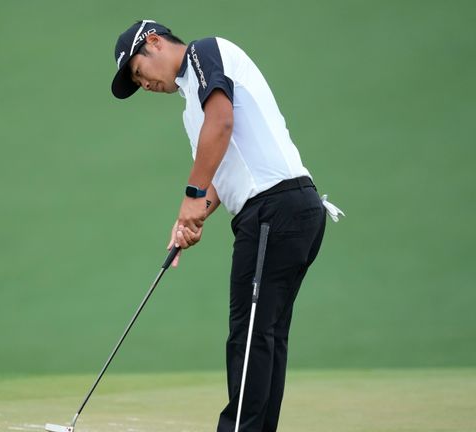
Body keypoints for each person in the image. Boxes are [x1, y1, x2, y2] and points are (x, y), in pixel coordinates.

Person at [110, 20, 344, 432]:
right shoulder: (190, 107)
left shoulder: (204, 52)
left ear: (155, 43)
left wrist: (190, 197)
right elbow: (218, 175)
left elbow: (222, 124)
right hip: (287, 212)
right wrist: (194, 217)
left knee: (250, 338)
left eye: (138, 72)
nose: (142, 84)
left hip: (274, 209)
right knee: (265, 338)